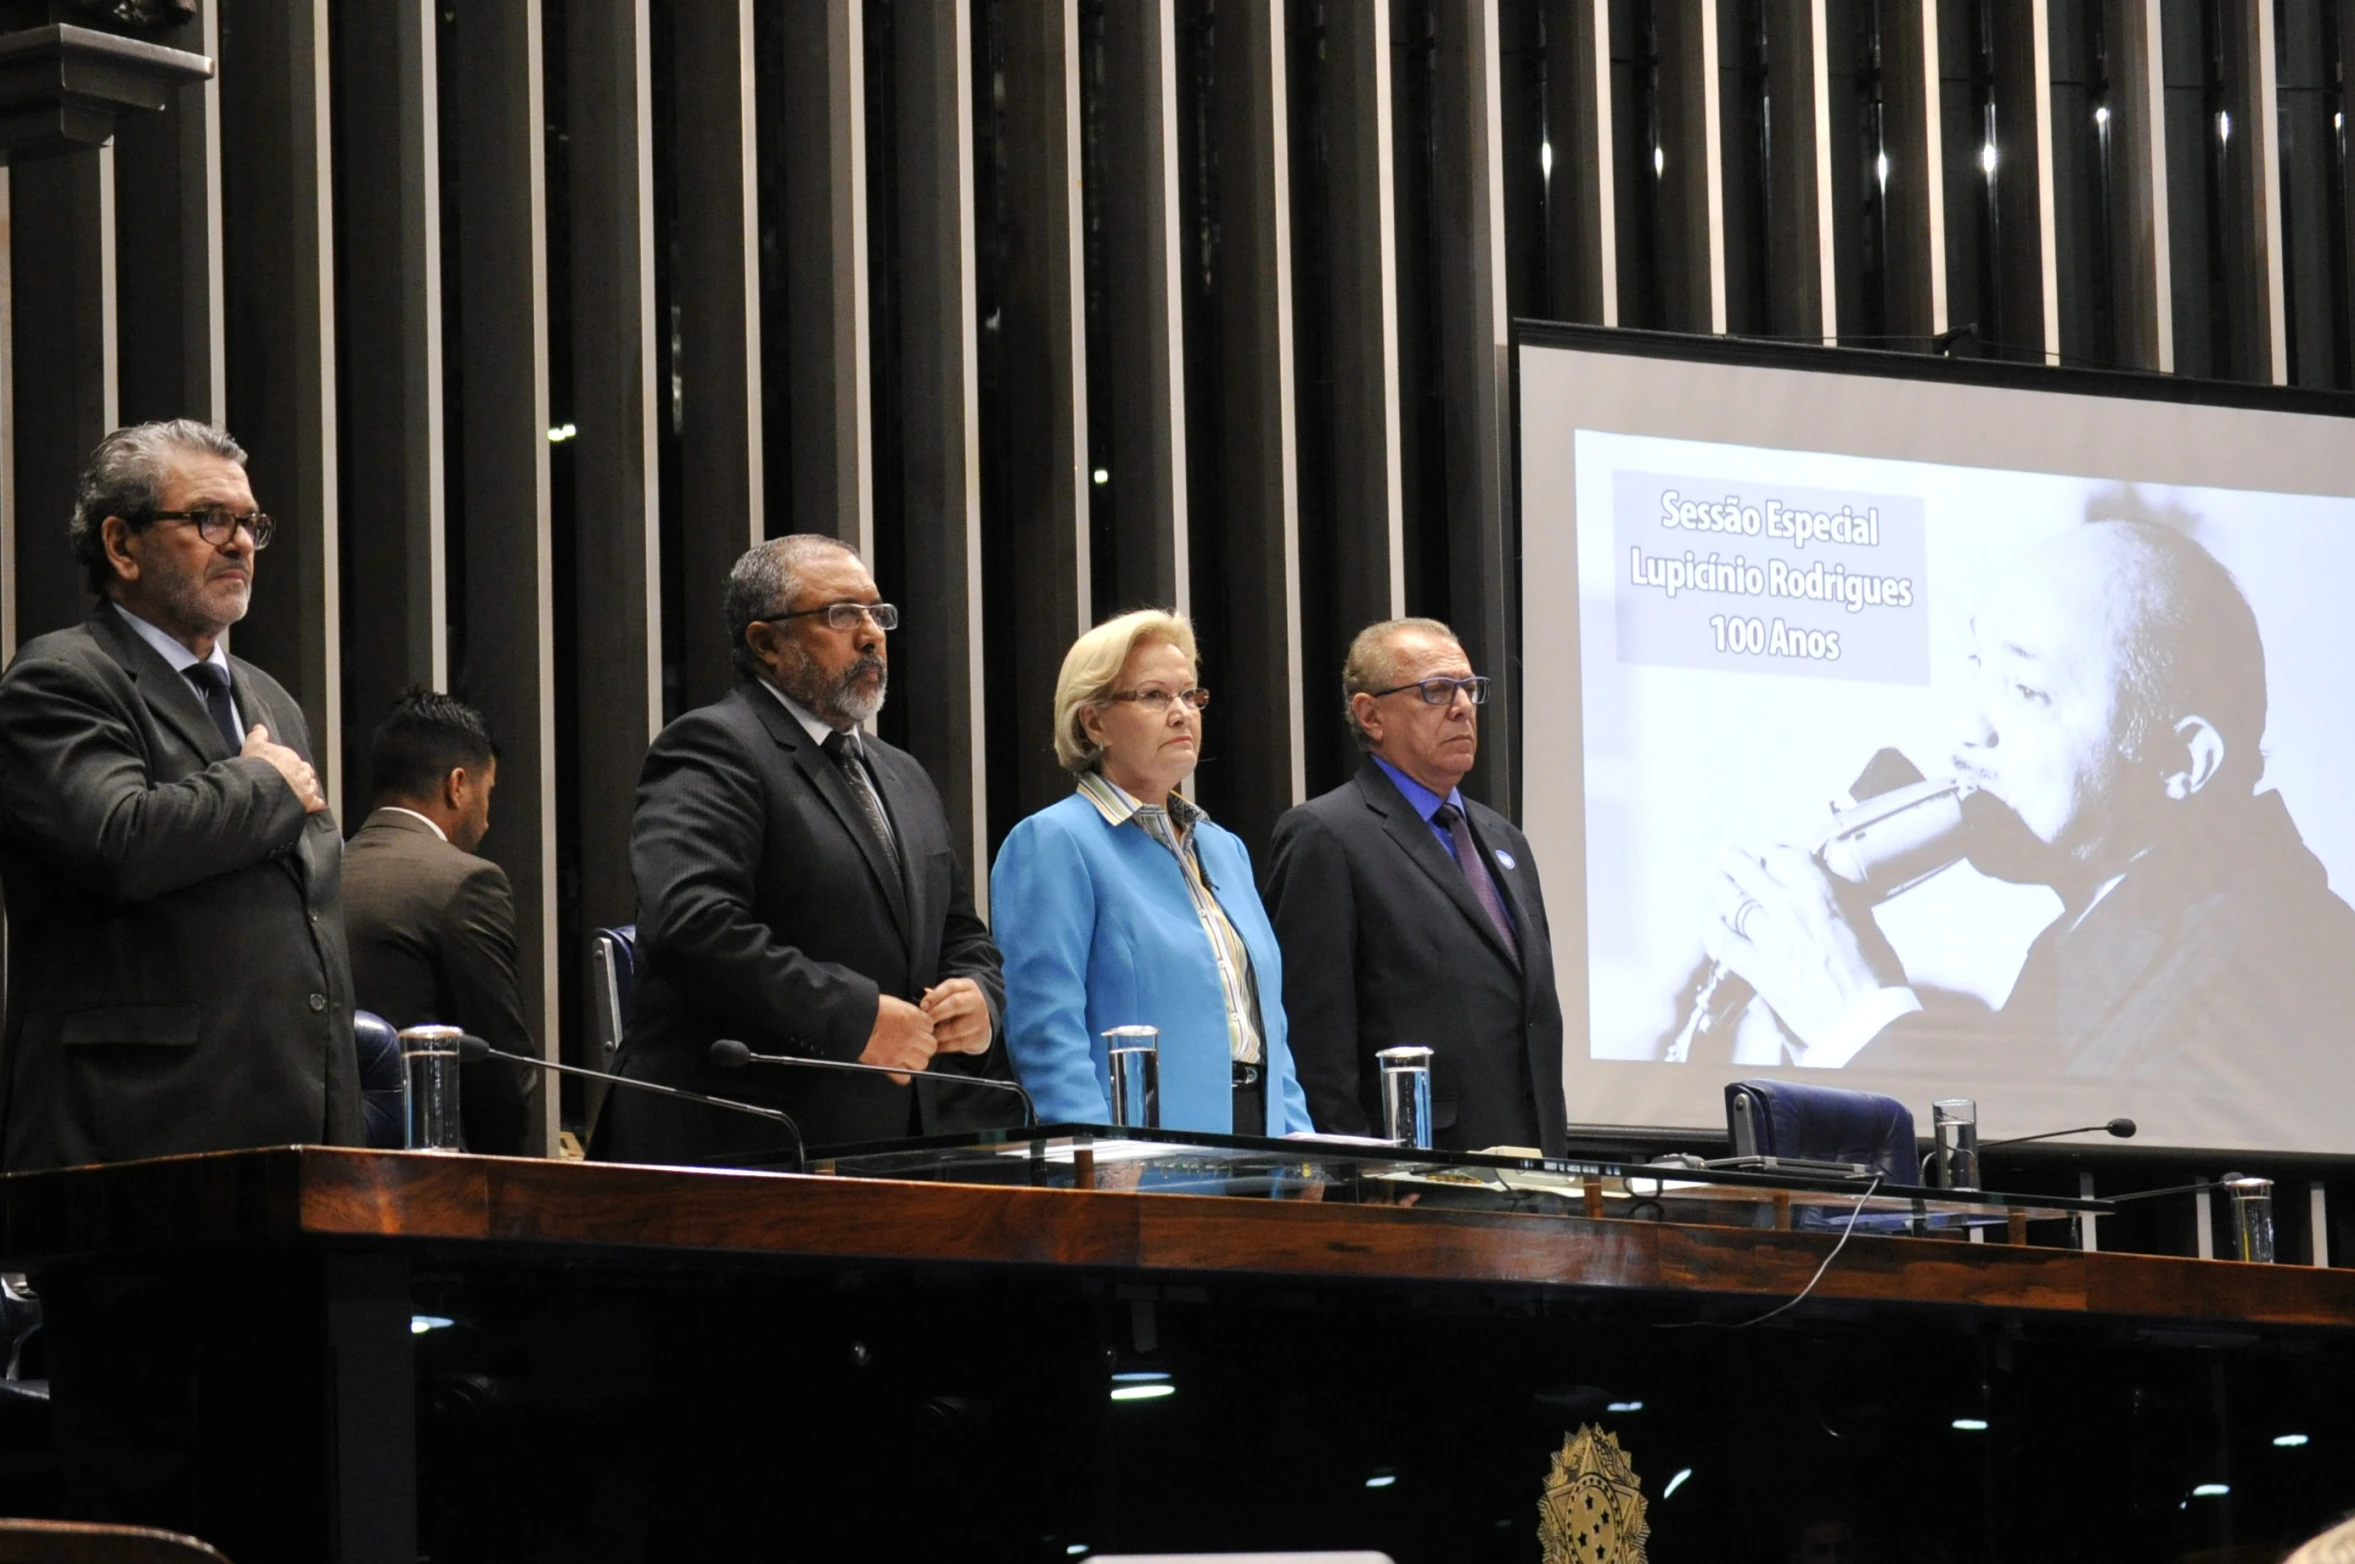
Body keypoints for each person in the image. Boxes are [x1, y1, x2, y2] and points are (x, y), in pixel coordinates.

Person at [1702, 519, 2355, 1088]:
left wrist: (1858, 1021)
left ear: (2179, 762)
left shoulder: (2282, 962)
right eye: (1976, 662)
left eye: (2025, 687)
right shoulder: (2094, 942)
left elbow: (2094, 1214)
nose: (1967, 725)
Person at [0, 420, 359, 1169]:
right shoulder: (62, 679)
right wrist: (261, 785)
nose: (240, 544)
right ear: (121, 545)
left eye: (250, 523)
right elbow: (116, 840)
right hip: (138, 1137)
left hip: (298, 1134)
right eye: (208, 519)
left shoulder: (271, 701)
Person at [596, 535, 1007, 1164]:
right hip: (746, 1149)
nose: (871, 635)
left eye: (877, 613)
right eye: (842, 615)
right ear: (766, 643)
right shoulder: (714, 747)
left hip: (901, 1152)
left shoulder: (903, 774)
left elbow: (959, 932)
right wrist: (855, 1016)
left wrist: (979, 997)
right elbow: (692, 925)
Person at [990, 610, 1310, 1135]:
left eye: (1191, 695)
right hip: (1142, 1149)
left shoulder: (1223, 847)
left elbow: (1267, 1023)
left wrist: (1299, 1142)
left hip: (1262, 1140)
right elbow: (1046, 1031)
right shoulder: (1054, 841)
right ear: (1093, 722)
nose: (1182, 713)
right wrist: (1095, 1152)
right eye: (1154, 696)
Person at [1264, 618, 1567, 1155]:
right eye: (1436, 691)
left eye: (1470, 689)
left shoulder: (1504, 839)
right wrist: (1357, 1169)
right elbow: (1312, 1036)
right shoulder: (1327, 834)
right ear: (1370, 714)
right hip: (1411, 1173)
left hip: (1530, 1164)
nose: (1461, 707)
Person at [343, 688, 539, 1155]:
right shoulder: (468, 881)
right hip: (430, 1177)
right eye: (487, 793)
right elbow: (501, 1073)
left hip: (329, 1165)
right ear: (457, 785)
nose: (488, 820)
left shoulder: (319, 870)